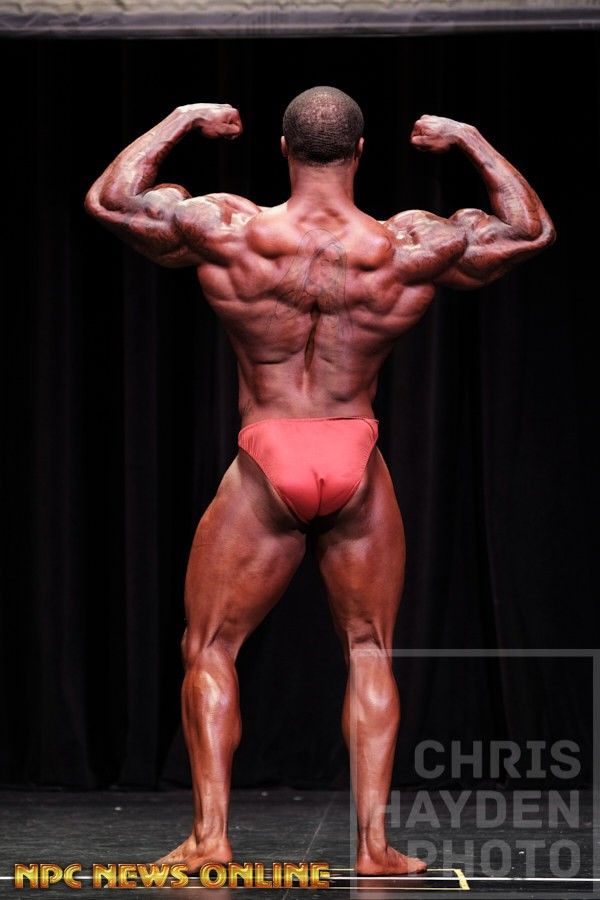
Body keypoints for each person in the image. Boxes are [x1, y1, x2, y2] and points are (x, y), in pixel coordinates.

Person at [85, 86, 555, 876]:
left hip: (268, 453)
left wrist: (181, 120)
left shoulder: (232, 230)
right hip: (353, 455)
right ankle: (373, 847)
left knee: (210, 646)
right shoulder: (403, 244)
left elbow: (112, 200)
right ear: (361, 151)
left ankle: (210, 838)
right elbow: (530, 230)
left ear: (283, 149)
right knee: (370, 648)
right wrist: (471, 137)